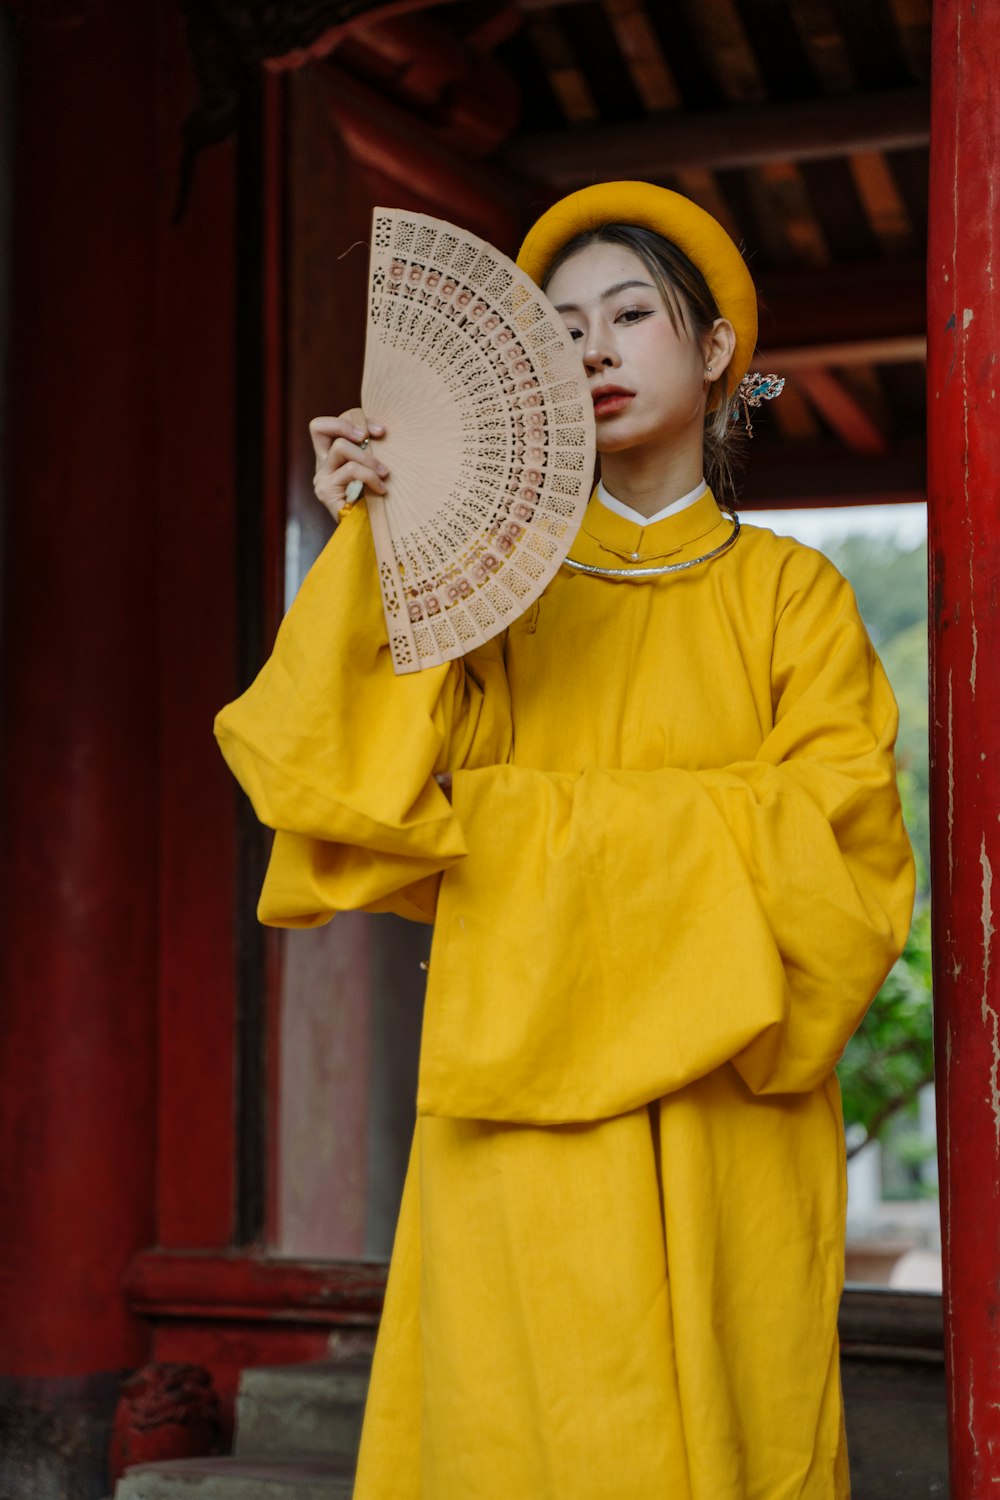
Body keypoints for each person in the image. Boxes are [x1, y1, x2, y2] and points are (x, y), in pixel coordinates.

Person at [215, 182, 915, 1500]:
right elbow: (340, 779)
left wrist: (516, 820)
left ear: (715, 350)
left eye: (630, 313)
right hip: (518, 1117)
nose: (589, 347)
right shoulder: (488, 600)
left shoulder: (794, 600)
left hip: (730, 1114)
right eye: (560, 325)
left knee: (735, 1430)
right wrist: (383, 540)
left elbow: (848, 865)